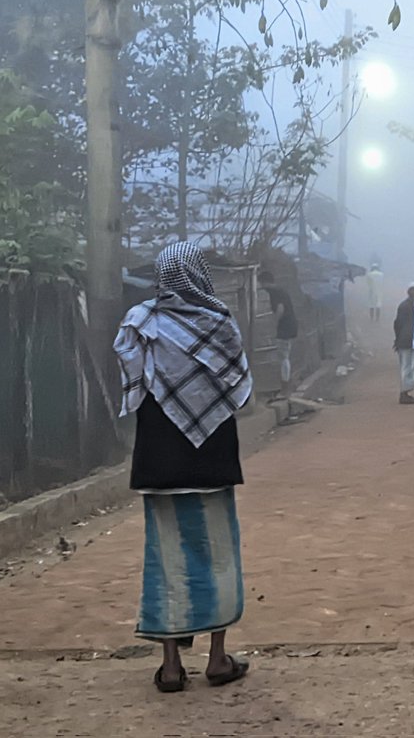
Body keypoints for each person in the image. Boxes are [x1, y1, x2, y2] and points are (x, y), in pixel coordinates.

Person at [113, 242, 252, 693]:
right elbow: (238, 389)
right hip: (210, 456)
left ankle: (171, 667)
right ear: (198, 274)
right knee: (218, 555)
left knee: (167, 560)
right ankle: (216, 659)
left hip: (159, 457)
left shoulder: (141, 321)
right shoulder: (219, 322)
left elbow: (132, 385)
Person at [259, 270, 298, 394]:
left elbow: (280, 309)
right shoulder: (281, 290)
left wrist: (274, 324)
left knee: (283, 357)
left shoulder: (275, 292)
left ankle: (285, 387)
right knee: (285, 355)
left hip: (285, 326)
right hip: (290, 325)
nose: (261, 287)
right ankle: (286, 383)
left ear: (265, 282)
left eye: (261, 283)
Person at [393, 282, 414, 405]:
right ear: (408, 292)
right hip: (406, 340)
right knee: (406, 367)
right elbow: (398, 324)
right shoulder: (404, 306)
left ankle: (407, 391)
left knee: (413, 367)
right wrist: (398, 340)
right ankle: (403, 393)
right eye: (412, 290)